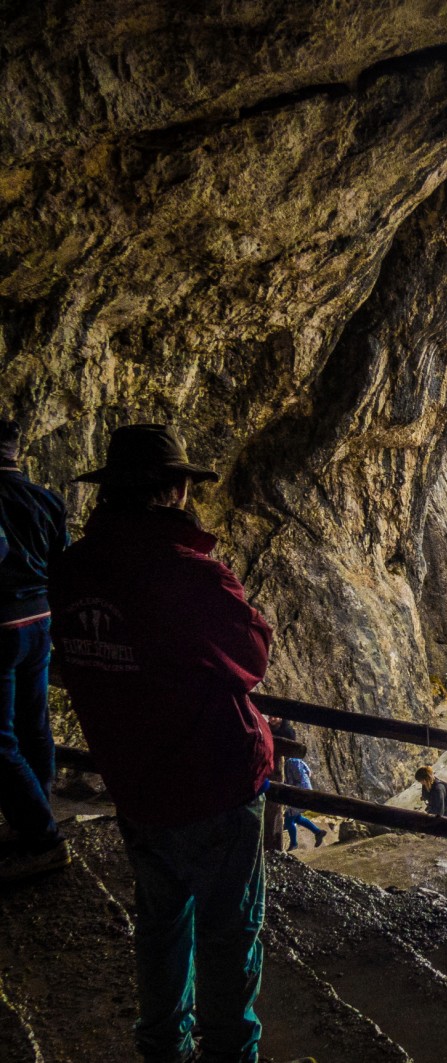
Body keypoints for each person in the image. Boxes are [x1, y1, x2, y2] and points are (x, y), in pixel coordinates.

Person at [49, 424, 275, 1063]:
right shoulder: (190, 575)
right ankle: (230, 1053)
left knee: (160, 926)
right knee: (230, 938)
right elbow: (250, 655)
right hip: (215, 783)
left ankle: (162, 1050)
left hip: (135, 783)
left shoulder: (72, 571)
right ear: (173, 491)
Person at [0, 419, 71, 882]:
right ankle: (38, 811)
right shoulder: (47, 499)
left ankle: (43, 837)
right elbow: (61, 561)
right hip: (41, 619)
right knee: (33, 724)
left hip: (1, 623)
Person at [282, 756, 327, 850]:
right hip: (305, 791)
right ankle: (318, 832)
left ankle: (294, 843)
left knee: (289, 818)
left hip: (299, 793)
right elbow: (309, 773)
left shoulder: (292, 761)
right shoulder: (300, 761)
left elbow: (297, 778)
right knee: (297, 818)